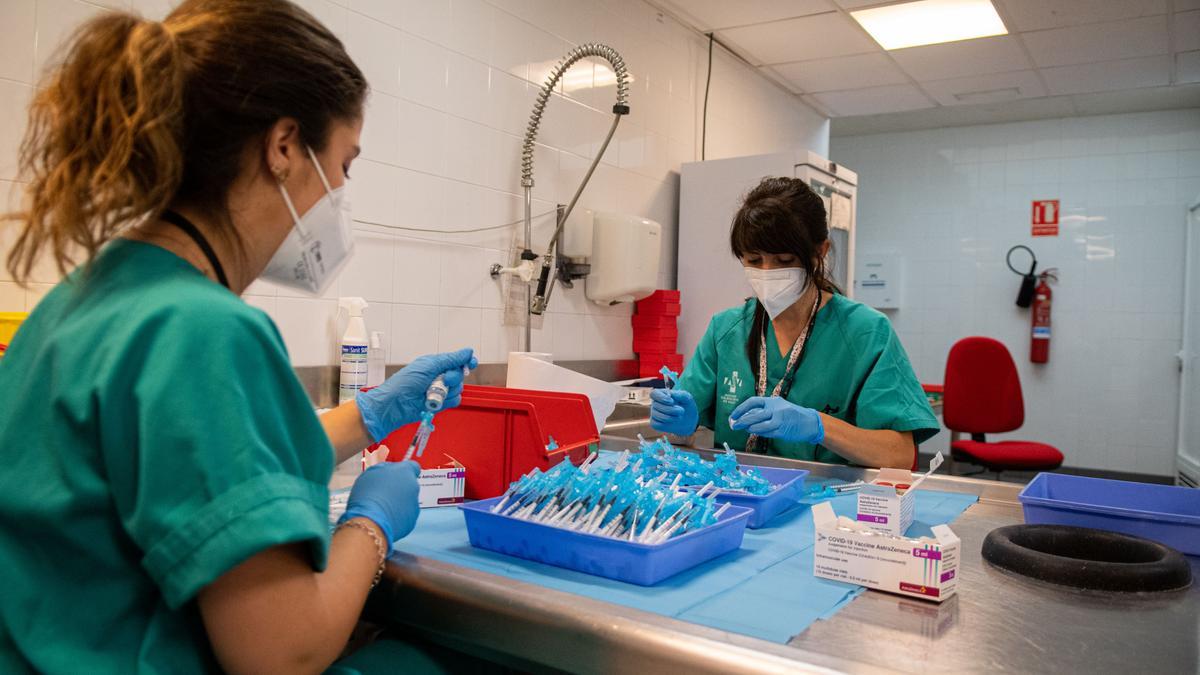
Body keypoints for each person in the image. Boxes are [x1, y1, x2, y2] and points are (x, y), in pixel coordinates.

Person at [0, 1, 479, 672]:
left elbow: (191, 465)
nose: (341, 192)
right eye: (345, 164)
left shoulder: (79, 302)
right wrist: (370, 527)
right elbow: (285, 652)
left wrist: (369, 416)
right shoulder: (206, 330)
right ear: (284, 146)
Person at [651, 177, 938, 469]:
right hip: (738, 498)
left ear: (820, 252)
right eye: (754, 259)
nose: (767, 271)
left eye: (784, 260)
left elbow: (901, 455)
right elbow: (680, 438)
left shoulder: (865, 332)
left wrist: (818, 426)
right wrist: (679, 426)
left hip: (827, 507)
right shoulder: (726, 330)